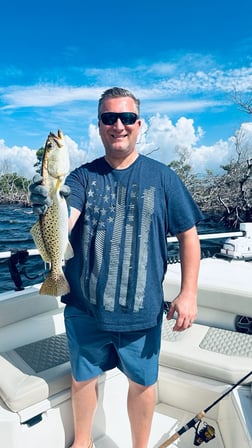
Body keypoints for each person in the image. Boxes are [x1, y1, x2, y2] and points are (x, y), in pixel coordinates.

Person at [30, 87, 203, 448]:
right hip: (85, 307)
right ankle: (82, 442)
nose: (118, 125)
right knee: (82, 379)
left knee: (143, 385)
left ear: (139, 125)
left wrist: (188, 294)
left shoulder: (164, 178)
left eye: (126, 118)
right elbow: (67, 218)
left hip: (142, 311)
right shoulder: (78, 178)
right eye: (109, 118)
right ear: (99, 126)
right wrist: (48, 201)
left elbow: (189, 235)